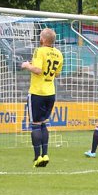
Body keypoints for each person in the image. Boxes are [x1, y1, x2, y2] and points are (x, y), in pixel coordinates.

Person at [21, 28, 63, 167]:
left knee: (35, 124)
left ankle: (37, 157)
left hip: (37, 92)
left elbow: (38, 70)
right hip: (50, 93)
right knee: (43, 123)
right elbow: (57, 74)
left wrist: (27, 65)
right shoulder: (58, 53)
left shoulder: (39, 50)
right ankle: (45, 154)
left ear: (43, 39)